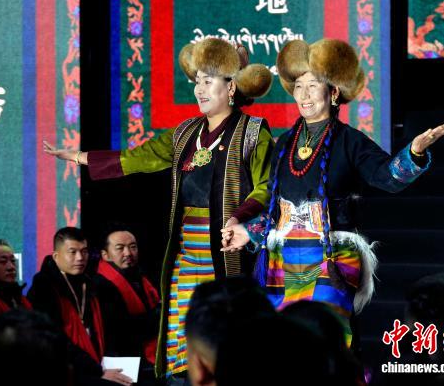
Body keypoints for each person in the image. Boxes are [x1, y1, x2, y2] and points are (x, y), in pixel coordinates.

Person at [44, 37, 275, 379]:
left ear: (230, 87)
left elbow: (266, 187)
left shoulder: (254, 133)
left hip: (227, 249)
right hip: (185, 250)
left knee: (226, 331)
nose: (199, 89)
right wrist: (80, 157)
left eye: (208, 81)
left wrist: (239, 218)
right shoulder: (185, 133)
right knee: (181, 332)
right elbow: (139, 157)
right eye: (197, 81)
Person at [221, 38, 444, 343]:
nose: (304, 95)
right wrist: (248, 232)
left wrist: (414, 153)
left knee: (323, 337)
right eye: (298, 86)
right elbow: (275, 212)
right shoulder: (284, 144)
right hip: (283, 259)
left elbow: (388, 177)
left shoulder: (351, 142)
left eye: (312, 85)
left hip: (333, 257)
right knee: (285, 341)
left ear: (333, 92)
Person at [28, 227, 131, 386]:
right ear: (56, 256)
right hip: (65, 369)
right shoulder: (43, 287)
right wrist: (98, 371)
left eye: (84, 252)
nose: (80, 258)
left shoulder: (93, 283)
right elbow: (53, 340)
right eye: (72, 252)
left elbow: (112, 327)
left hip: (100, 363)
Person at [93, 226, 160, 384]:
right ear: (105, 254)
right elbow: (121, 329)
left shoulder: (140, 276)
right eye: (120, 248)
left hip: (146, 361)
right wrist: (160, 314)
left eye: (132, 247)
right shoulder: (100, 285)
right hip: (120, 365)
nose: (128, 253)